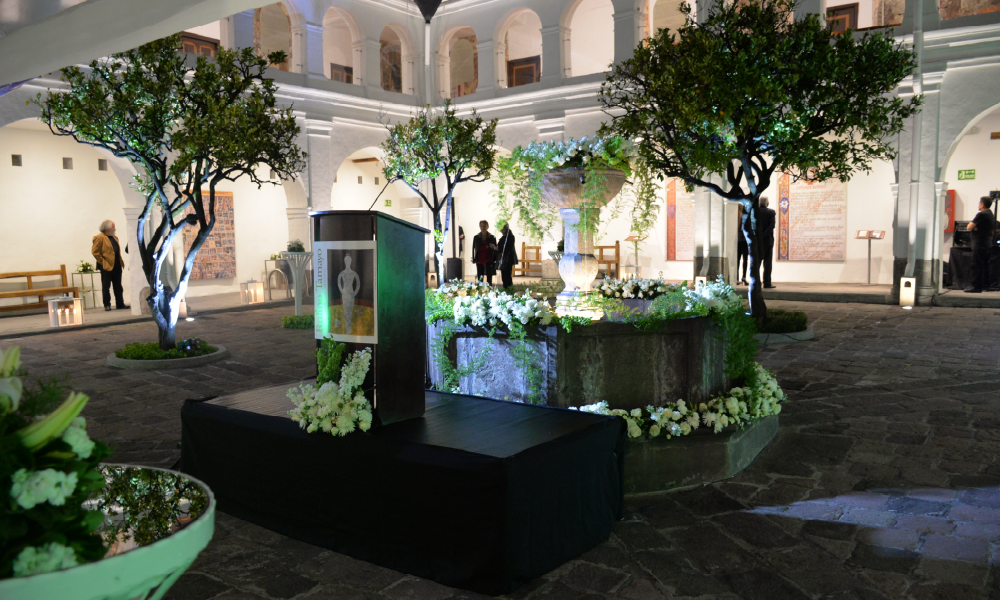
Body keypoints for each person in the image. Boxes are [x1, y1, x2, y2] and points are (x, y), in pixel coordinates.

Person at [91, 220, 127, 311]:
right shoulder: (99, 238)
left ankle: (120, 303)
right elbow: (95, 252)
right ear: (107, 228)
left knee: (118, 286)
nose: (115, 228)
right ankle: (107, 304)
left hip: (117, 265)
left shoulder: (115, 237)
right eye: (113, 226)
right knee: (106, 286)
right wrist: (103, 262)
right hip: (107, 266)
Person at [965, 196, 996, 293]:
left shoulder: (981, 214)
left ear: (982, 204)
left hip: (979, 243)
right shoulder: (990, 214)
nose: (978, 205)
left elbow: (969, 227)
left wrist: (974, 227)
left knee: (976, 265)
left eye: (979, 203)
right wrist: (976, 227)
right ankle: (986, 286)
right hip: (987, 242)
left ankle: (976, 287)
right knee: (986, 265)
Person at [471, 220, 497, 285]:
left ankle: (489, 291)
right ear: (480, 227)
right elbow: (474, 248)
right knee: (480, 277)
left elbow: (495, 249)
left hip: (489, 259)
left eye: (484, 226)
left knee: (489, 278)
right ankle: (480, 291)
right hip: (479, 260)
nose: (483, 228)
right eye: (482, 226)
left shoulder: (492, 237)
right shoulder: (476, 237)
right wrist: (474, 258)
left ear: (487, 227)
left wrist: (495, 259)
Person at [759, 197, 776, 289]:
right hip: (768, 240)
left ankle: (756, 282)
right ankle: (767, 283)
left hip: (757, 241)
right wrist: (765, 234)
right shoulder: (771, 212)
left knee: (756, 263)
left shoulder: (755, 212)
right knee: (767, 263)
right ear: (767, 204)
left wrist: (759, 236)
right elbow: (772, 225)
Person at [496, 223, 519, 289]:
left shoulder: (510, 237)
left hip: (508, 259)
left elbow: (508, 248)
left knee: (507, 275)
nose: (501, 231)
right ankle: (505, 287)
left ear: (506, 229)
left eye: (502, 229)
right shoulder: (503, 237)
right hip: (503, 259)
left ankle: (509, 288)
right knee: (503, 275)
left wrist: (497, 248)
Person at [736, 205, 749, 285]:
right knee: (744, 260)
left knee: (738, 260)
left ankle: (738, 278)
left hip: (739, 239)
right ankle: (743, 277)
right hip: (743, 239)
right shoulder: (742, 214)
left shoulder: (737, 214)